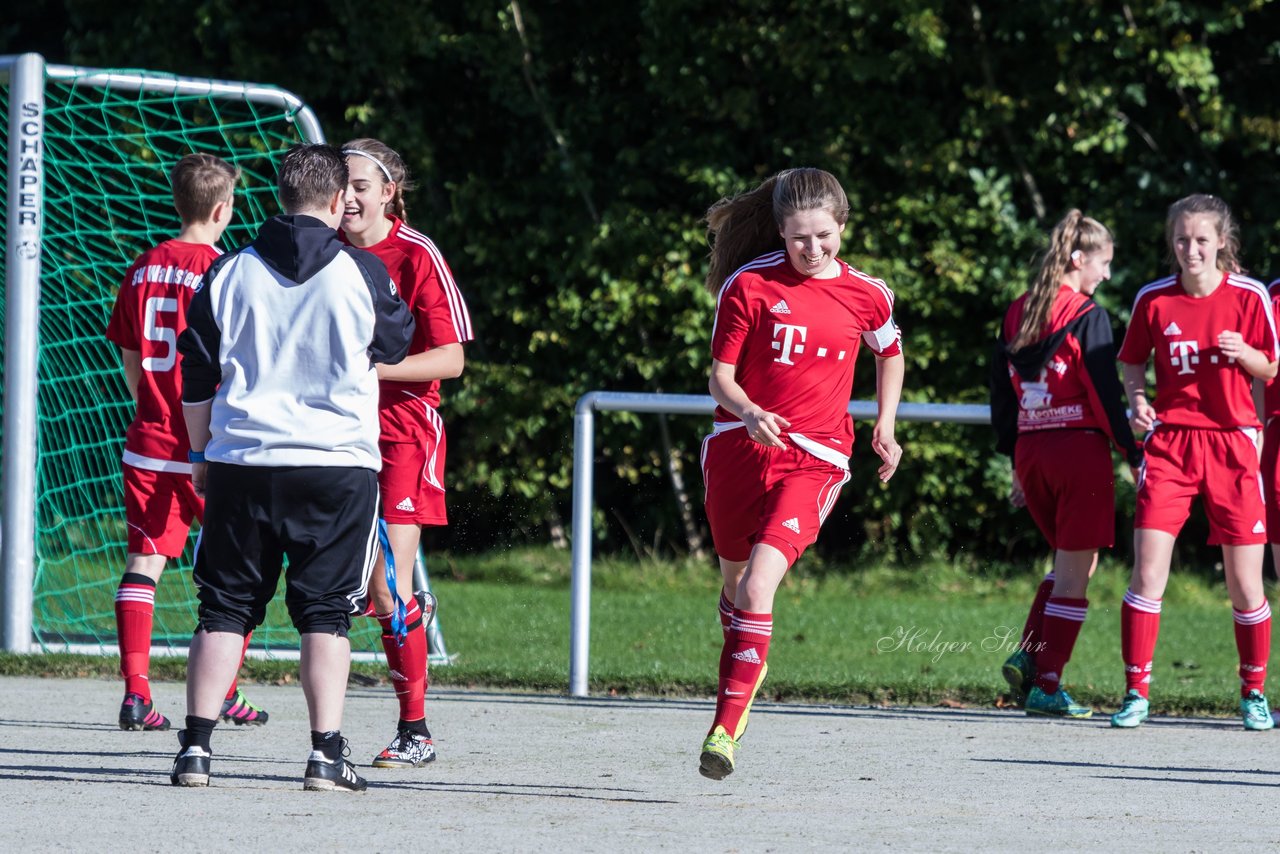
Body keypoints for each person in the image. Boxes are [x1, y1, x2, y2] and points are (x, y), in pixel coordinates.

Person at [170, 143, 414, 790]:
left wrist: (199, 456)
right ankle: (324, 754)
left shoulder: (226, 273)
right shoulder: (363, 273)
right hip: (336, 465)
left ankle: (195, 748)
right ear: (338, 202)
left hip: (241, 459)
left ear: (280, 197)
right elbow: (396, 342)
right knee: (326, 613)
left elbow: (194, 376)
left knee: (222, 608)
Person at [697, 168, 904, 780]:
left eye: (822, 236)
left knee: (760, 587)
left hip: (815, 458)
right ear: (780, 234)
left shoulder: (868, 293)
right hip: (740, 447)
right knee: (736, 589)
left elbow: (889, 354)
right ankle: (744, 653)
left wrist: (885, 427)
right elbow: (720, 378)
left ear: (843, 226)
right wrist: (750, 411)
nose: (812, 250)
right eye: (797, 239)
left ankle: (723, 732)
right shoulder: (749, 285)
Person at [105, 153, 269, 731]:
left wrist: (149, 402)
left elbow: (129, 352)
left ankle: (136, 692)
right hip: (209, 445)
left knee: (143, 561)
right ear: (223, 208)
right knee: (238, 569)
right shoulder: (225, 269)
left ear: (178, 203)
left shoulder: (143, 266)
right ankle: (220, 689)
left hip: (149, 440)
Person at [1113, 193, 1277, 730]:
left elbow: (1270, 369)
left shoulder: (1250, 296)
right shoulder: (1154, 300)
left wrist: (1243, 354)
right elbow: (1131, 361)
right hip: (1172, 445)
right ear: (1172, 243)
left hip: (1233, 444)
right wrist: (1138, 401)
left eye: (1202, 239)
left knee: (1246, 583)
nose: (1191, 249)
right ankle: (1136, 691)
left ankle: (1253, 691)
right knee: (1147, 572)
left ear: (1221, 242)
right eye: (1182, 239)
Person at [339, 137, 472, 768]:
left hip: (402, 432)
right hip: (331, 431)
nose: (350, 197)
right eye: (343, 184)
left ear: (390, 191)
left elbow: (452, 359)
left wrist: (374, 373)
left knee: (384, 586)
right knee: (320, 580)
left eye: (362, 184)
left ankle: (415, 731)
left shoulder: (416, 254)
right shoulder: (321, 250)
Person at [989, 210, 1142, 719]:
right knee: (1076, 574)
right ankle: (1047, 684)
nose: (1106, 276)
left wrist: (1014, 459)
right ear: (1079, 259)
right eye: (1104, 264)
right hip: (1078, 451)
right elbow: (1103, 390)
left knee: (1069, 563)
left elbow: (1001, 398)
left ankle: (1029, 658)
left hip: (1033, 451)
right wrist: (1131, 450)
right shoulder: (1087, 314)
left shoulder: (1017, 311)